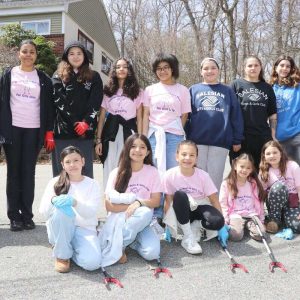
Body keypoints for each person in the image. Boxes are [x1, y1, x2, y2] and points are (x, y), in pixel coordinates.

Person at [0, 39, 54, 231]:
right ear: (19, 54)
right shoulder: (8, 75)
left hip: (33, 130)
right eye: (25, 51)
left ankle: (27, 215)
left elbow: (49, 108)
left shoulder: (43, 79)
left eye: (32, 52)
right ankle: (14, 216)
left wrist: (49, 131)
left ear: (36, 55)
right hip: (12, 129)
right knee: (14, 173)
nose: (28, 55)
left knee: (28, 173)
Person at [100, 134, 162, 266]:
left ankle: (124, 242)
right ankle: (120, 245)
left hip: (144, 222)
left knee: (152, 254)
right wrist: (131, 207)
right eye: (133, 146)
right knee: (144, 212)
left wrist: (138, 203)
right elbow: (108, 205)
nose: (138, 150)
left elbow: (156, 201)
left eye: (142, 147)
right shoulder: (116, 172)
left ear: (148, 152)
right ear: (127, 149)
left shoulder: (153, 172)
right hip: (120, 220)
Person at [142, 53, 191, 217]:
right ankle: (156, 212)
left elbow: (184, 115)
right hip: (154, 136)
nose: (162, 71)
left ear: (173, 69)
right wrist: (144, 138)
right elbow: (145, 114)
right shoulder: (150, 90)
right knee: (155, 173)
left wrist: (174, 130)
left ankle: (170, 212)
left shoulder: (182, 90)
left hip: (174, 136)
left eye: (166, 68)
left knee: (171, 173)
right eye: (159, 69)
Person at [39, 146, 102, 273]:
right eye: (68, 162)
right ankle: (62, 255)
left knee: (92, 263)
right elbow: (43, 212)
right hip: (61, 229)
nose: (72, 164)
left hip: (84, 229)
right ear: (62, 165)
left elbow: (90, 213)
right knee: (61, 212)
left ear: (83, 161)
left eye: (76, 160)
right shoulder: (55, 182)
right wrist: (52, 201)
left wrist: (75, 202)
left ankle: (69, 249)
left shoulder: (93, 184)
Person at [186, 57, 243, 191]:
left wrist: (237, 139)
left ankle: (213, 209)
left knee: (214, 178)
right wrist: (188, 137)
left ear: (218, 71)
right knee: (197, 176)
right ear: (201, 72)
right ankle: (198, 208)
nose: (209, 71)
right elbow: (186, 116)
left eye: (213, 68)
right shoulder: (193, 90)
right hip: (197, 141)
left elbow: (236, 115)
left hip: (220, 141)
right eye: (206, 68)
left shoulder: (227, 90)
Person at [163, 140, 227, 255]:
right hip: (181, 210)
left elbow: (214, 200)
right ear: (177, 156)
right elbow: (168, 201)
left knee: (218, 221)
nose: (187, 158)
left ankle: (195, 226)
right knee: (180, 195)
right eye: (184, 154)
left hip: (199, 207)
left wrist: (222, 224)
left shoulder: (203, 175)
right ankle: (188, 237)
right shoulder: (169, 175)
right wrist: (167, 224)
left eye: (192, 155)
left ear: (196, 158)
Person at [52, 41, 103, 178]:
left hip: (85, 132)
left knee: (84, 171)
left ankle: (84, 199)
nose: (75, 56)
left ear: (85, 56)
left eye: (79, 53)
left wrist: (86, 122)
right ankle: (61, 199)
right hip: (62, 132)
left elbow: (95, 101)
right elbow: (59, 101)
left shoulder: (94, 76)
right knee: (61, 173)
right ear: (66, 56)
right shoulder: (58, 76)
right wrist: (75, 122)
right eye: (71, 53)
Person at [95, 58, 143, 188]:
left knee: (127, 163)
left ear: (129, 70)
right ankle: (109, 196)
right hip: (110, 133)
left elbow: (139, 117)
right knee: (110, 164)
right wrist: (98, 140)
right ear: (114, 71)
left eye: (125, 67)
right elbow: (102, 116)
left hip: (129, 132)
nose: (121, 69)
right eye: (118, 67)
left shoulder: (137, 91)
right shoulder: (108, 91)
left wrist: (140, 139)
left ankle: (126, 194)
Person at [229, 55, 277, 169]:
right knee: (240, 173)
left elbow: (272, 115)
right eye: (249, 65)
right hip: (241, 139)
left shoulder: (267, 87)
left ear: (260, 67)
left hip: (263, 138)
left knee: (263, 172)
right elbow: (230, 113)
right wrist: (235, 138)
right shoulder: (236, 85)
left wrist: (273, 136)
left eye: (256, 65)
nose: (253, 68)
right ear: (244, 68)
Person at [219, 153, 265, 241]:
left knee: (261, 235)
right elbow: (223, 203)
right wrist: (225, 220)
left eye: (248, 168)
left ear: (251, 170)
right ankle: (240, 226)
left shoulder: (253, 183)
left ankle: (248, 225)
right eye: (242, 166)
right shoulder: (227, 183)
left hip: (251, 214)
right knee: (236, 236)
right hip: (235, 215)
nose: (244, 170)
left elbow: (260, 202)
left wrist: (262, 220)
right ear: (235, 166)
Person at [259, 140, 300, 234]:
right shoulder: (264, 172)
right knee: (279, 186)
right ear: (264, 157)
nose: (272, 156)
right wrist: (260, 216)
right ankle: (275, 219)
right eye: (268, 153)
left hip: (292, 204)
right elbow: (261, 196)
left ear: (281, 153)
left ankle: (285, 217)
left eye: (275, 152)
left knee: (297, 226)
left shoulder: (293, 166)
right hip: (275, 206)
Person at [269, 55, 300, 165]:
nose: (285, 68)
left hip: (297, 135)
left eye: (288, 66)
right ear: (276, 67)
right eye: (282, 65)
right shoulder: (270, 88)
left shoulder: (297, 86)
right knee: (286, 174)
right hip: (279, 139)